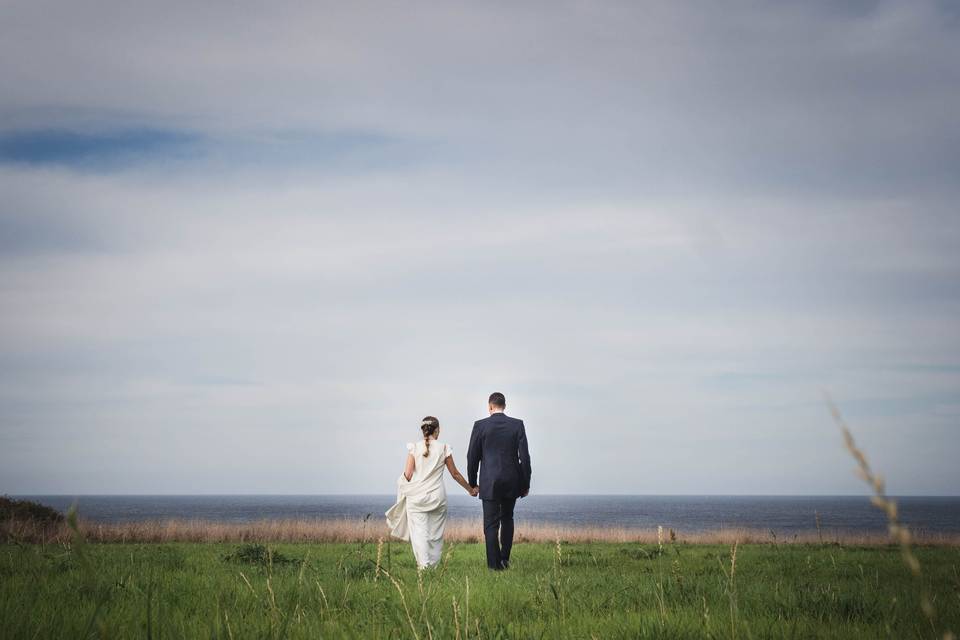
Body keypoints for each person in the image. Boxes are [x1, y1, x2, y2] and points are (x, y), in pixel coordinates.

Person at [385, 415, 477, 568]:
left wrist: (402, 488)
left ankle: (424, 567)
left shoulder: (414, 448)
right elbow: (455, 474)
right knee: (435, 535)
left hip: (416, 498)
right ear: (438, 430)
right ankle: (432, 568)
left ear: (423, 430)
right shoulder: (444, 448)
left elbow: (407, 475)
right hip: (437, 498)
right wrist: (470, 489)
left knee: (419, 534)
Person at [467, 392, 532, 570]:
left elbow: (472, 456)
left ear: (490, 407)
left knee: (490, 525)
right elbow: (525, 458)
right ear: (504, 405)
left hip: (489, 481)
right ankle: (504, 558)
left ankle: (494, 566)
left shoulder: (480, 426)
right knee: (507, 518)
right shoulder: (517, 425)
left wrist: (473, 483)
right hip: (512, 480)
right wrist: (525, 483)